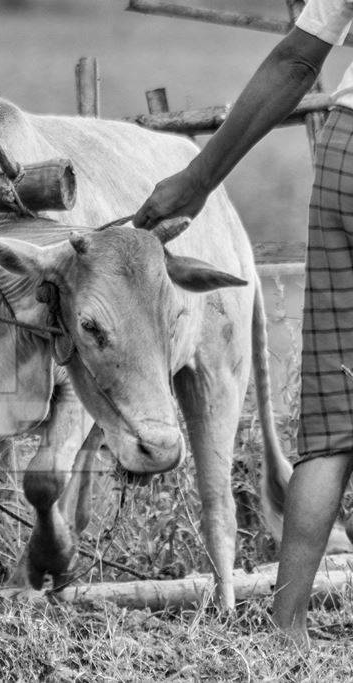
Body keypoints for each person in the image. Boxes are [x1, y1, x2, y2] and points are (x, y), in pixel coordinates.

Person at [134, 0, 353, 648]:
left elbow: (294, 57)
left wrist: (200, 179)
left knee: (335, 414)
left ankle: (287, 628)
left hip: (347, 147)